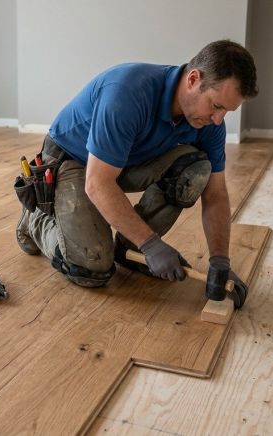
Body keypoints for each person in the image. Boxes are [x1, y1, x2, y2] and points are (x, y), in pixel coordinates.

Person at [15, 40, 258, 308]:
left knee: (196, 168)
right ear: (193, 79)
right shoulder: (128, 93)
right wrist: (152, 245)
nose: (218, 119)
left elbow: (216, 194)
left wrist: (220, 261)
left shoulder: (209, 123)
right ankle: (36, 221)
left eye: (226, 111)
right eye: (215, 105)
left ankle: (130, 247)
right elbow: (98, 183)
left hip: (122, 161)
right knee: (92, 268)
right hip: (73, 161)